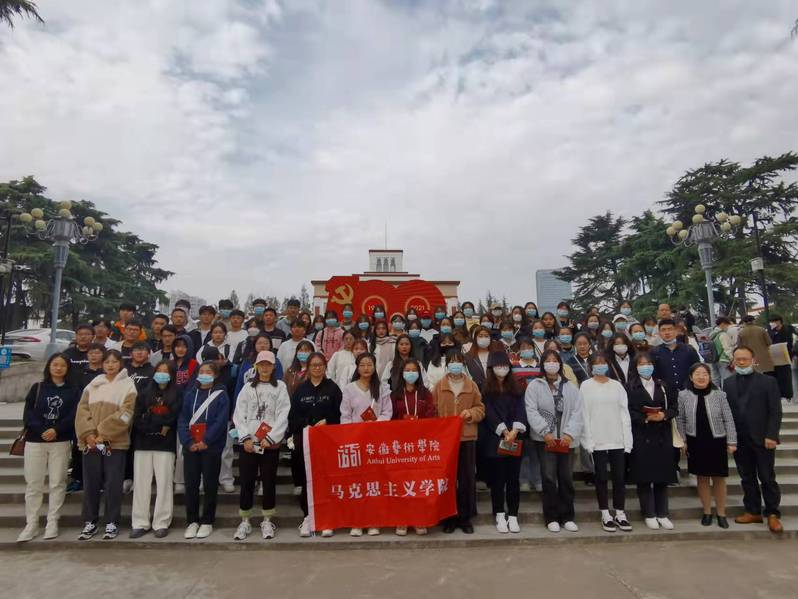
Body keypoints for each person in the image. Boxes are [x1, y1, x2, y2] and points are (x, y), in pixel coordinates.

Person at [17, 354, 80, 542]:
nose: (58, 368)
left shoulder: (74, 390)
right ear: (49, 367)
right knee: (33, 484)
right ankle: (31, 523)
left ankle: (52, 522)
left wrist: (56, 430)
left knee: (57, 483)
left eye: (62, 365)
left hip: (60, 441)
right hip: (35, 441)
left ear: (68, 368)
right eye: (55, 364)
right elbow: (28, 414)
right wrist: (42, 430)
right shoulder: (37, 388)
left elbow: (74, 415)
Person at [74, 349, 137, 540]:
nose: (110, 365)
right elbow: (82, 411)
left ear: (120, 364)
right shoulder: (93, 384)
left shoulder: (128, 386)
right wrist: (88, 434)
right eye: (107, 362)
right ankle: (90, 522)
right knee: (91, 483)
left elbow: (126, 414)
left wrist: (103, 434)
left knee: (113, 484)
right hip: (91, 443)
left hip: (115, 444)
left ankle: (112, 522)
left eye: (114, 362)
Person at [232, 351, 290, 541]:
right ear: (256, 367)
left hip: (269, 444)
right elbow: (239, 414)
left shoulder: (280, 387)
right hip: (250, 444)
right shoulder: (247, 387)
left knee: (269, 481)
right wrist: (245, 438)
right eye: (262, 364)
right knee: (247, 482)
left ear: (273, 367)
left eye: (268, 365)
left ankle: (267, 520)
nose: (265, 368)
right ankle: (245, 521)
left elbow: (283, 414)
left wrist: (272, 437)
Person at [724, 346, 783, 532]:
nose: (741, 362)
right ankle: (753, 511)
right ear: (733, 361)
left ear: (753, 360)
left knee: (767, 477)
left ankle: (772, 513)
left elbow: (775, 411)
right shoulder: (728, 383)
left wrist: (772, 435)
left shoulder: (768, 382)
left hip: (763, 438)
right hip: (740, 440)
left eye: (745, 359)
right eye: (738, 359)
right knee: (747, 477)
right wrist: (730, 438)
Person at [525, 350, 582, 533]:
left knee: (566, 478)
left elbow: (578, 412)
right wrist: (545, 432)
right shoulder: (535, 386)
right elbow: (531, 410)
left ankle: (568, 516)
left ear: (560, 364)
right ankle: (551, 517)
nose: (551, 363)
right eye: (548, 360)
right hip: (546, 441)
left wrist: (569, 434)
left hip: (566, 440)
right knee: (548, 478)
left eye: (555, 360)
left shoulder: (571, 387)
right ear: (542, 364)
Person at [676, 363, 737, 529]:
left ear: (710, 376)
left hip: (717, 440)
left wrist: (732, 441)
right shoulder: (683, 395)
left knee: (719, 478)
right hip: (695, 441)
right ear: (691, 377)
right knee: (702, 478)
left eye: (705, 374)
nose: (701, 377)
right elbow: (680, 419)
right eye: (697, 374)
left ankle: (721, 513)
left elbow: (728, 418)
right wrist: (683, 440)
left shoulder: (719, 395)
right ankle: (707, 512)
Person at [288, 352, 342, 538]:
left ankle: (327, 519)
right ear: (308, 368)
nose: (317, 368)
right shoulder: (301, 390)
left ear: (325, 367)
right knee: (307, 480)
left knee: (327, 479)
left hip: (327, 441)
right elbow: (292, 417)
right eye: (313, 365)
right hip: (306, 440)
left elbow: (341, 413)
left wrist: (328, 421)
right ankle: (307, 517)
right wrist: (306, 424)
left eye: (320, 365)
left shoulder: (333, 389)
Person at [579, 353, 633, 533]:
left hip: (617, 439)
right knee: (601, 478)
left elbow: (624, 413)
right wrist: (588, 441)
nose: (600, 365)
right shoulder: (586, 386)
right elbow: (584, 414)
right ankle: (605, 513)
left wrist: (627, 440)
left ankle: (620, 513)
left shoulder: (617, 386)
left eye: (603, 362)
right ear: (591, 366)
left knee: (619, 478)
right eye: (596, 363)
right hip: (597, 440)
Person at [340, 353, 392, 537]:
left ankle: (373, 521)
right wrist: (353, 433)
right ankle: (357, 521)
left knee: (374, 483)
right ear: (357, 367)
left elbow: (387, 412)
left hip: (376, 442)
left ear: (375, 366)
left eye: (369, 364)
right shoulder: (349, 389)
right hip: (356, 441)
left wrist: (375, 425)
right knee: (357, 483)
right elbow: (345, 416)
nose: (366, 368)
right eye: (362, 365)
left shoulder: (382, 388)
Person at [432, 352, 485, 534]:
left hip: (466, 437)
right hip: (446, 440)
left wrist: (471, 413)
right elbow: (433, 410)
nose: (455, 365)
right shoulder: (439, 386)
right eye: (452, 362)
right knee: (448, 479)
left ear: (463, 364)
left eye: (459, 362)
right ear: (447, 365)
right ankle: (449, 518)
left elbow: (480, 408)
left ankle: (465, 517)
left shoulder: (471, 385)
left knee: (466, 478)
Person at [178, 361, 230, 539]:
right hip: (191, 446)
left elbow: (220, 421)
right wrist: (188, 441)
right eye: (202, 371)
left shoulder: (221, 395)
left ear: (216, 375)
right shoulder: (189, 394)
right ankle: (192, 521)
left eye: (209, 372)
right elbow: (183, 419)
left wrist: (206, 440)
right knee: (191, 484)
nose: (205, 374)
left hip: (211, 446)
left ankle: (207, 521)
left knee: (210, 484)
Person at [130, 360, 181, 539]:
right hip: (143, 442)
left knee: (164, 483)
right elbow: (137, 417)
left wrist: (154, 419)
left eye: (166, 371)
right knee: (141, 483)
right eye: (159, 370)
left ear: (172, 374)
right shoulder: (144, 393)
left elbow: (173, 416)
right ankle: (140, 522)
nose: (162, 374)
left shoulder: (177, 393)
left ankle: (161, 522)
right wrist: (155, 425)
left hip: (165, 444)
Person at [627, 353, 678, 530]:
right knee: (644, 476)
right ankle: (648, 513)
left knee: (662, 476)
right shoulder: (630, 386)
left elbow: (674, 407)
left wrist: (664, 415)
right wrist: (645, 418)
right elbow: (627, 410)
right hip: (641, 434)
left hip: (662, 434)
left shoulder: (663, 385)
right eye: (641, 364)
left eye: (648, 363)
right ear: (636, 367)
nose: (645, 366)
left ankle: (662, 513)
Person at [481, 352, 527, 534]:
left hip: (515, 439)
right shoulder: (485, 389)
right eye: (498, 365)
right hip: (495, 439)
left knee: (513, 479)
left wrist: (514, 430)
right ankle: (500, 514)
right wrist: (503, 431)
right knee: (498, 480)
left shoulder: (517, 388)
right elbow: (488, 412)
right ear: (491, 368)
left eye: (505, 365)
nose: (502, 369)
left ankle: (513, 515)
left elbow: (521, 410)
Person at [390, 358, 437, 536]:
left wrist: (421, 426)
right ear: (402, 373)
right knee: (402, 482)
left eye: (414, 370)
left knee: (418, 482)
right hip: (401, 445)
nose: (411, 373)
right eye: (407, 370)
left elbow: (432, 415)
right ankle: (402, 519)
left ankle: (419, 518)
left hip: (420, 444)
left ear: (419, 373)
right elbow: (390, 417)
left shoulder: (426, 394)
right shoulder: (395, 394)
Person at [651, 318, 700, 391]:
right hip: (666, 393)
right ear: (659, 333)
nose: (667, 332)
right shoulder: (654, 352)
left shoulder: (689, 350)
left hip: (689, 391)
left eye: (670, 329)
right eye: (663, 330)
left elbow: (697, 370)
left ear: (676, 331)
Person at [768, 315, 795, 400]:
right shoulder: (771, 331)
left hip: (787, 354)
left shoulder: (788, 328)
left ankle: (787, 394)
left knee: (786, 375)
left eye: (773, 321)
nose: (772, 323)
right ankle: (779, 394)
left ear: (779, 321)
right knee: (776, 375)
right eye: (771, 322)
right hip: (775, 355)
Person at [465, 325, 499, 390]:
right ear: (475, 338)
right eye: (480, 336)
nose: (484, 338)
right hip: (475, 390)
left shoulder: (496, 355)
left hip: (494, 390)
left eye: (486, 336)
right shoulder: (468, 356)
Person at [711, 316, 737, 389]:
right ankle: (727, 394)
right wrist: (732, 359)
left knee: (716, 379)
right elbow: (727, 349)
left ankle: (713, 394)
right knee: (726, 380)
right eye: (727, 325)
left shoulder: (712, 334)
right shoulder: (723, 334)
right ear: (722, 324)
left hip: (714, 359)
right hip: (723, 360)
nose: (728, 327)